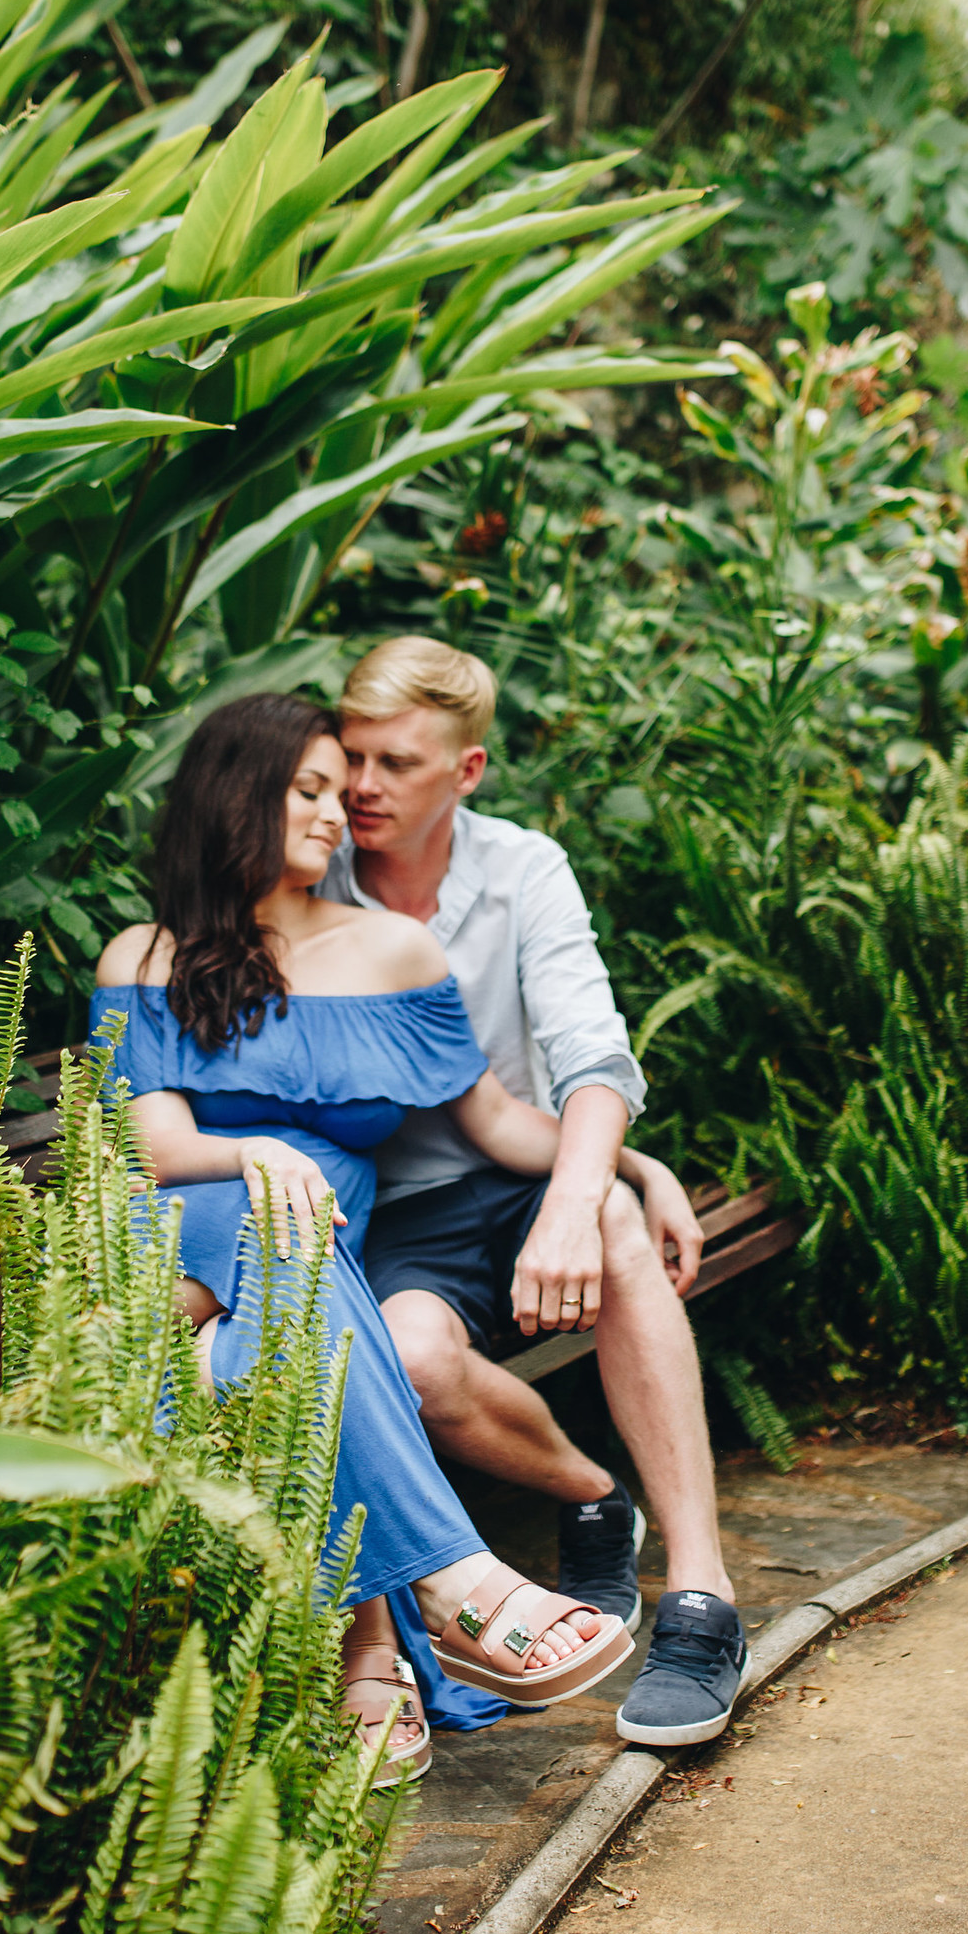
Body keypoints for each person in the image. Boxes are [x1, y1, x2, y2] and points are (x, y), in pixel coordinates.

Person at [93, 692, 652, 1787]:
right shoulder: (144, 956)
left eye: (334, 793)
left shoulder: (396, 954)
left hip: (305, 1244)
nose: (337, 814)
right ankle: (453, 1587)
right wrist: (257, 1153)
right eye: (307, 791)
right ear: (235, 799)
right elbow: (156, 1143)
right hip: (188, 1215)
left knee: (281, 1306)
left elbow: (491, 1120)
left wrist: (624, 1165)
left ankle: (367, 1637)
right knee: (284, 1222)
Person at [322, 636, 748, 1750]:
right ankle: (590, 1496)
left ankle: (701, 1597)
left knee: (606, 1221)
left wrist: (593, 1186)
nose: (365, 787)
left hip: (521, 1175)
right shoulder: (311, 868)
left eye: (398, 765)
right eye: (353, 756)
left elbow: (592, 1056)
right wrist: (625, 1165)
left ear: (464, 772)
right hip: (394, 1214)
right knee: (409, 1360)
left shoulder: (522, 868)